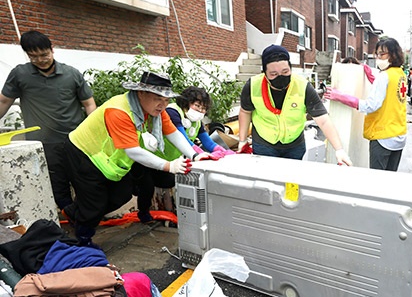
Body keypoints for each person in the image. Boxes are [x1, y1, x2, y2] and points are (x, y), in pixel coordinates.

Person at [62, 72, 210, 246]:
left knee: (122, 194)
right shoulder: (119, 110)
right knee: (95, 202)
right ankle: (83, 239)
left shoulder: (156, 111)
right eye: (157, 98)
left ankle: (74, 212)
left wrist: (195, 155)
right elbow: (133, 151)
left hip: (108, 159)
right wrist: (168, 165)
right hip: (84, 151)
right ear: (141, 93)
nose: (162, 105)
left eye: (166, 100)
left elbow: (172, 133)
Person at [0, 30, 97, 210]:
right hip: (44, 143)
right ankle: (72, 217)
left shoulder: (71, 74)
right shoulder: (20, 74)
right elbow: (4, 101)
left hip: (75, 140)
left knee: (83, 181)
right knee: (57, 186)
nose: (41, 60)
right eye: (34, 56)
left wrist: (92, 131)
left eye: (44, 54)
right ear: (27, 55)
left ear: (52, 49)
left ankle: (86, 217)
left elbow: (89, 104)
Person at [236, 44, 351, 165]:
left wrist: (339, 149)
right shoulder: (253, 86)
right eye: (273, 74)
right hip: (264, 143)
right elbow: (245, 112)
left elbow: (323, 120)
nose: (280, 77)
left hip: (294, 145)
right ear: (264, 73)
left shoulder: (303, 86)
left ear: (291, 68)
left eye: (285, 71)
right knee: (267, 180)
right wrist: (242, 141)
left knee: (291, 182)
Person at [131, 86, 232, 223]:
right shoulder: (173, 113)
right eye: (197, 106)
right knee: (146, 186)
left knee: (170, 181)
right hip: (150, 157)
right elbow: (181, 138)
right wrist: (198, 154)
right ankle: (143, 213)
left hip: (169, 160)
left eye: (203, 109)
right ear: (186, 103)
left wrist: (224, 152)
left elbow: (207, 141)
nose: (200, 111)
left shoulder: (196, 121)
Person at [325, 37, 408, 171]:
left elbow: (371, 105)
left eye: (382, 54)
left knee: (376, 181)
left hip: (383, 137)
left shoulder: (384, 76)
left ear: (393, 54)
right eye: (377, 54)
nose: (378, 58)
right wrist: (373, 80)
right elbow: (389, 92)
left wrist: (341, 97)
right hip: (398, 135)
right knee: (391, 178)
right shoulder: (401, 74)